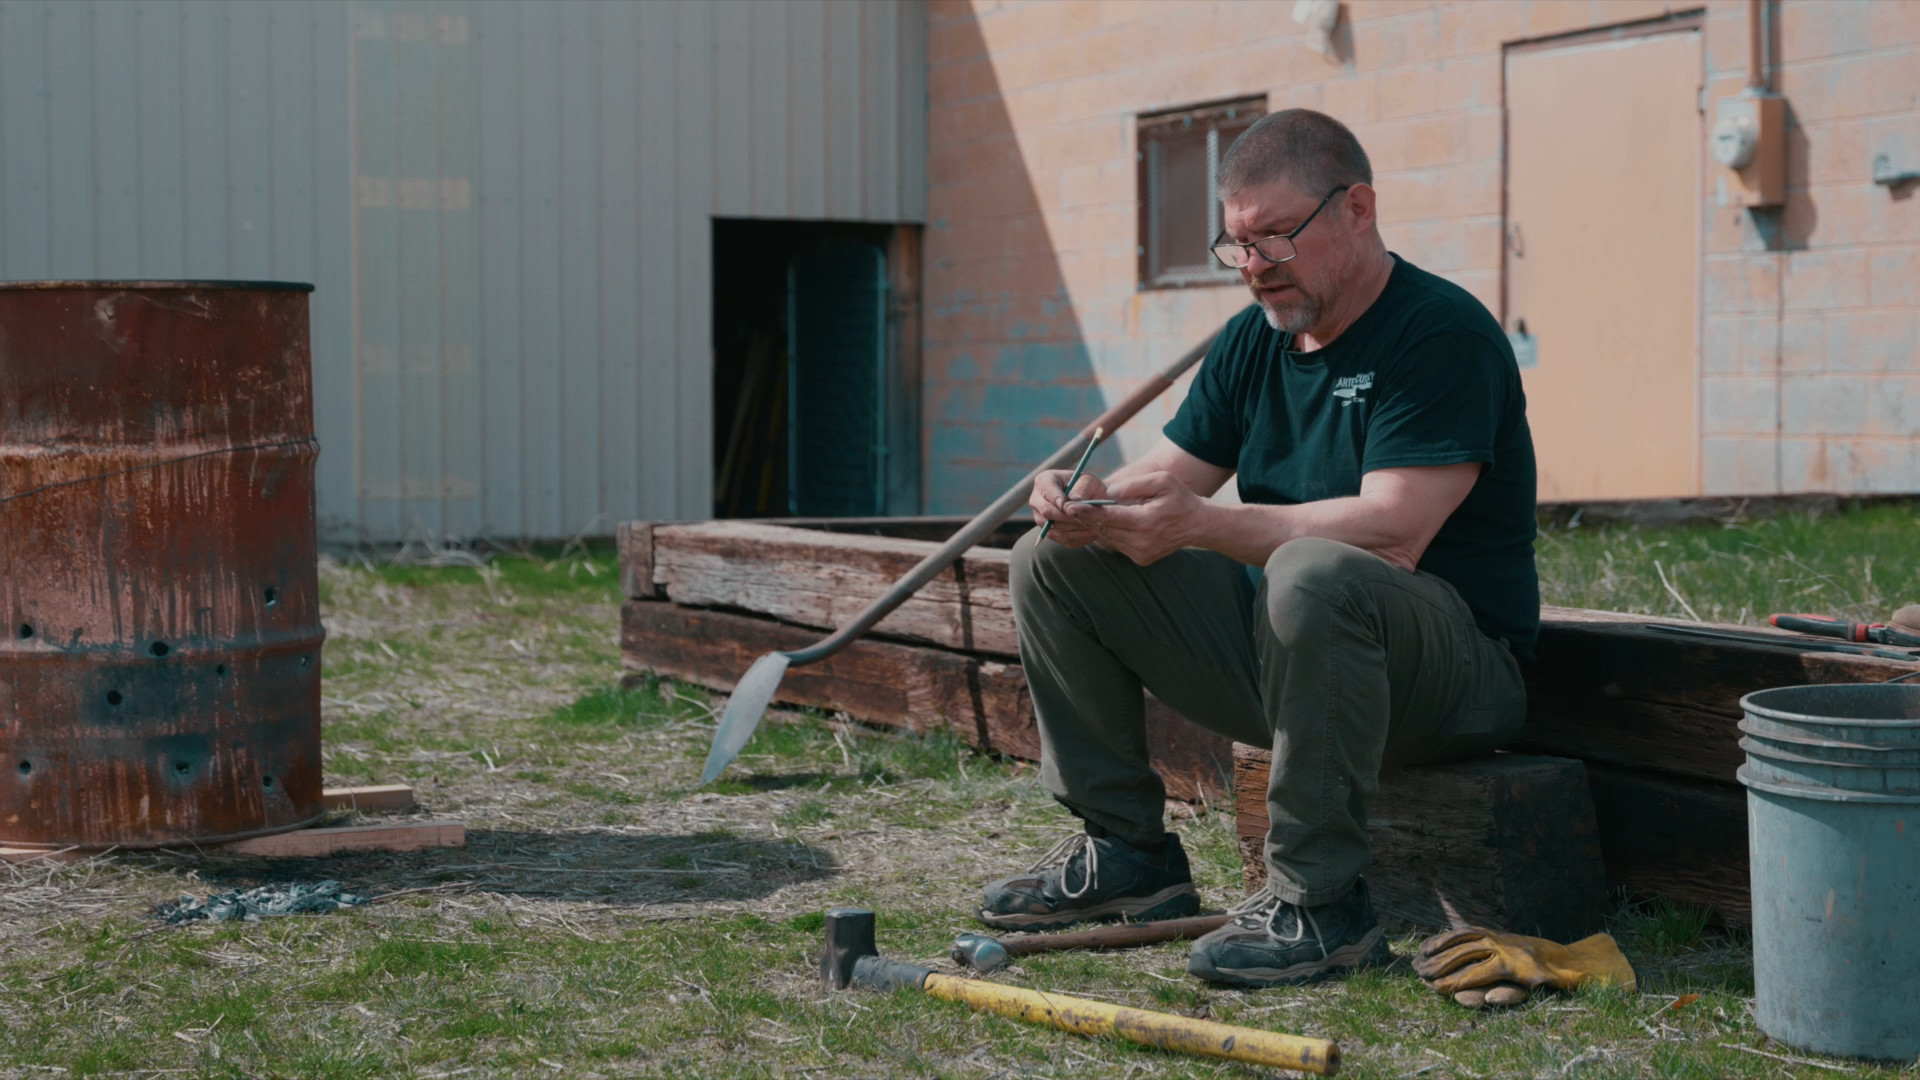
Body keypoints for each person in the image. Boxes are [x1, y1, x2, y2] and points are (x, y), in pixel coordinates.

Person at [978, 109, 1539, 988]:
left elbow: (1394, 529)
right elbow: (1167, 476)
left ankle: (1322, 907)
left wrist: (1202, 525)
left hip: (1450, 679)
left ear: (1358, 209)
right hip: (1303, 662)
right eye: (1237, 244)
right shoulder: (1255, 337)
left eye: (1276, 236)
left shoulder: (1440, 333)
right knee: (1053, 561)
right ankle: (1126, 853)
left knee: (1313, 572)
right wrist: (1084, 497)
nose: (1254, 266)